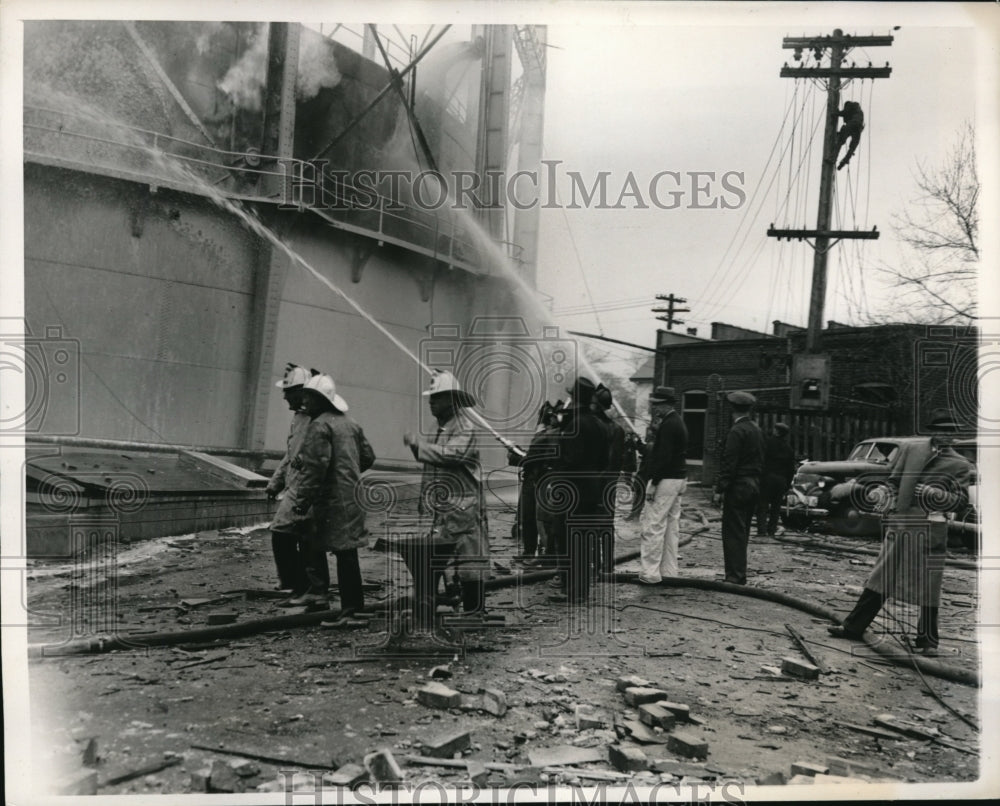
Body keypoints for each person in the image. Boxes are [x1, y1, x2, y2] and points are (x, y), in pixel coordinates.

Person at [826, 409, 973, 656]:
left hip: (930, 529)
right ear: (932, 432)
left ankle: (928, 642)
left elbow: (960, 502)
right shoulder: (912, 450)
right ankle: (853, 627)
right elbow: (893, 481)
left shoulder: (960, 464)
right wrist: (888, 500)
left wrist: (931, 494)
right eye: (941, 431)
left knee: (929, 586)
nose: (946, 436)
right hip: (901, 524)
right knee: (880, 577)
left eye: (951, 432)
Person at [270, 374, 374, 616]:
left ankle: (344, 609)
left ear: (319, 399)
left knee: (316, 543)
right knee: (347, 554)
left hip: (331, 501)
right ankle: (349, 607)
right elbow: (368, 457)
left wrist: (301, 503)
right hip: (354, 497)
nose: (304, 401)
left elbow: (314, 471)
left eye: (308, 396)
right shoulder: (350, 423)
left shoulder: (319, 426)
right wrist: (346, 475)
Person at [404, 370, 489, 620]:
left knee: (469, 560)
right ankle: (450, 601)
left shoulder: (464, 427)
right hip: (443, 507)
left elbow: (452, 455)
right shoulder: (440, 427)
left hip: (462, 506)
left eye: (437, 398)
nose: (431, 403)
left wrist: (418, 446)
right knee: (443, 557)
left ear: (452, 400)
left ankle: (475, 610)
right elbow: (432, 466)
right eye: (431, 398)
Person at [547, 376, 608, 604]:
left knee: (566, 540)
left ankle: (572, 591)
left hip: (572, 490)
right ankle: (580, 591)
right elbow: (603, 460)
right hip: (590, 489)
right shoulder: (599, 425)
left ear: (574, 397)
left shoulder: (574, 424)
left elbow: (570, 459)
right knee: (581, 540)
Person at [266, 363, 316, 594]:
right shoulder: (299, 418)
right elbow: (291, 454)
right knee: (296, 538)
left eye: (288, 392)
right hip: (296, 488)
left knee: (284, 535)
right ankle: (298, 584)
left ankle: (298, 585)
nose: (285, 397)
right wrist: (276, 482)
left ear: (302, 392)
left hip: (307, 490)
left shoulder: (314, 419)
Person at [637, 386, 688, 585]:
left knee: (653, 525)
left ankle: (649, 573)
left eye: (655, 405)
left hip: (666, 480)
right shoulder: (678, 422)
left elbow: (664, 457)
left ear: (664, 405)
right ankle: (668, 571)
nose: (653, 409)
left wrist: (654, 482)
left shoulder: (668, 425)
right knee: (671, 527)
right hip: (678, 478)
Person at [713, 391, 765, 585]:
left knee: (733, 531)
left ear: (732, 409)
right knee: (743, 531)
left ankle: (734, 576)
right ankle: (738, 573)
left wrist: (720, 489)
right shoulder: (756, 429)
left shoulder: (736, 431)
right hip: (753, 485)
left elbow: (729, 463)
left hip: (738, 486)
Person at [508, 401, 561, 566]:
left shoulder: (552, 435)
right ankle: (529, 551)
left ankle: (544, 555)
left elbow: (533, 458)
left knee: (541, 520)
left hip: (540, 481)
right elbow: (532, 455)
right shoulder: (545, 434)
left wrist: (516, 455)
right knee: (527, 516)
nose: (548, 419)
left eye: (551, 416)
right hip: (532, 479)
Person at [592, 384, 626, 576]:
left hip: (595, 484)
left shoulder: (591, 428)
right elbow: (617, 462)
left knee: (592, 526)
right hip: (609, 485)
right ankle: (607, 566)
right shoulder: (618, 429)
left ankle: (596, 566)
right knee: (606, 525)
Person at [626, 387, 674, 521]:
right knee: (639, 492)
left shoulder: (656, 440)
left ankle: (637, 515)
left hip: (648, 472)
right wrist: (636, 441)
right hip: (646, 471)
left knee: (642, 492)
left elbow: (647, 450)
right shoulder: (653, 441)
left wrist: (639, 442)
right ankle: (635, 514)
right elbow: (643, 450)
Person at [756, 422, 797, 537]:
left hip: (767, 478)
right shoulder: (789, 448)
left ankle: (761, 531)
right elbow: (791, 469)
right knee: (776, 507)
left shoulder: (767, 443)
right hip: (781, 481)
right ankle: (771, 531)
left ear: (776, 431)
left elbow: (761, 460)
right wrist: (787, 485)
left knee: (762, 505)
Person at [836, 100, 864, 170]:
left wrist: (836, 113)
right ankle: (845, 160)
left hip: (852, 124)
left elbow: (845, 112)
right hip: (859, 128)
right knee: (852, 147)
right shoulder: (859, 111)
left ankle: (832, 158)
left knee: (841, 140)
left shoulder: (849, 105)